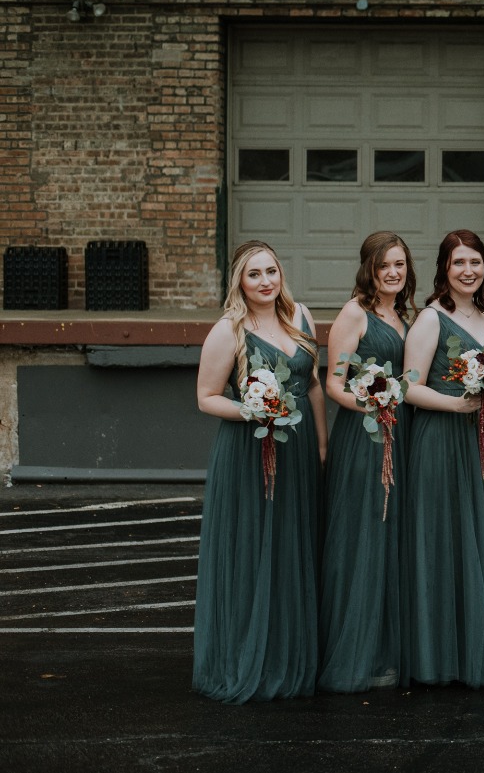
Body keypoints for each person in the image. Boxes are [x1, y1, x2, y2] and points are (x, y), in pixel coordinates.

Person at [192, 240, 326, 704]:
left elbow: (311, 386)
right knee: (253, 549)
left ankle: (291, 654)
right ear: (240, 282)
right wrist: (254, 412)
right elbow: (207, 397)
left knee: (293, 547)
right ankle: (249, 658)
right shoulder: (228, 330)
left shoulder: (302, 317)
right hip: (250, 450)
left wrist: (323, 445)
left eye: (272, 271)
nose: (266, 281)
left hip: (301, 448)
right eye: (255, 274)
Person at [400, 229, 484, 688]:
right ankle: (440, 657)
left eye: (475, 262)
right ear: (444, 270)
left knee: (483, 538)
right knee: (445, 541)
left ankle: (478, 647)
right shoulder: (431, 319)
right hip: (442, 439)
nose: (468, 271)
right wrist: (456, 405)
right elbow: (408, 386)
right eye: (458, 263)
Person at [317, 231, 416, 693]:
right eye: (384, 267)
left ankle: (388, 650)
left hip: (402, 435)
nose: (393, 273)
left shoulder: (401, 315)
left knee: (393, 538)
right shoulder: (353, 314)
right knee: (364, 538)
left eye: (399, 264)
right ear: (369, 270)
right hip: (365, 437)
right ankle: (356, 653)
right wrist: (376, 407)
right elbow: (336, 385)